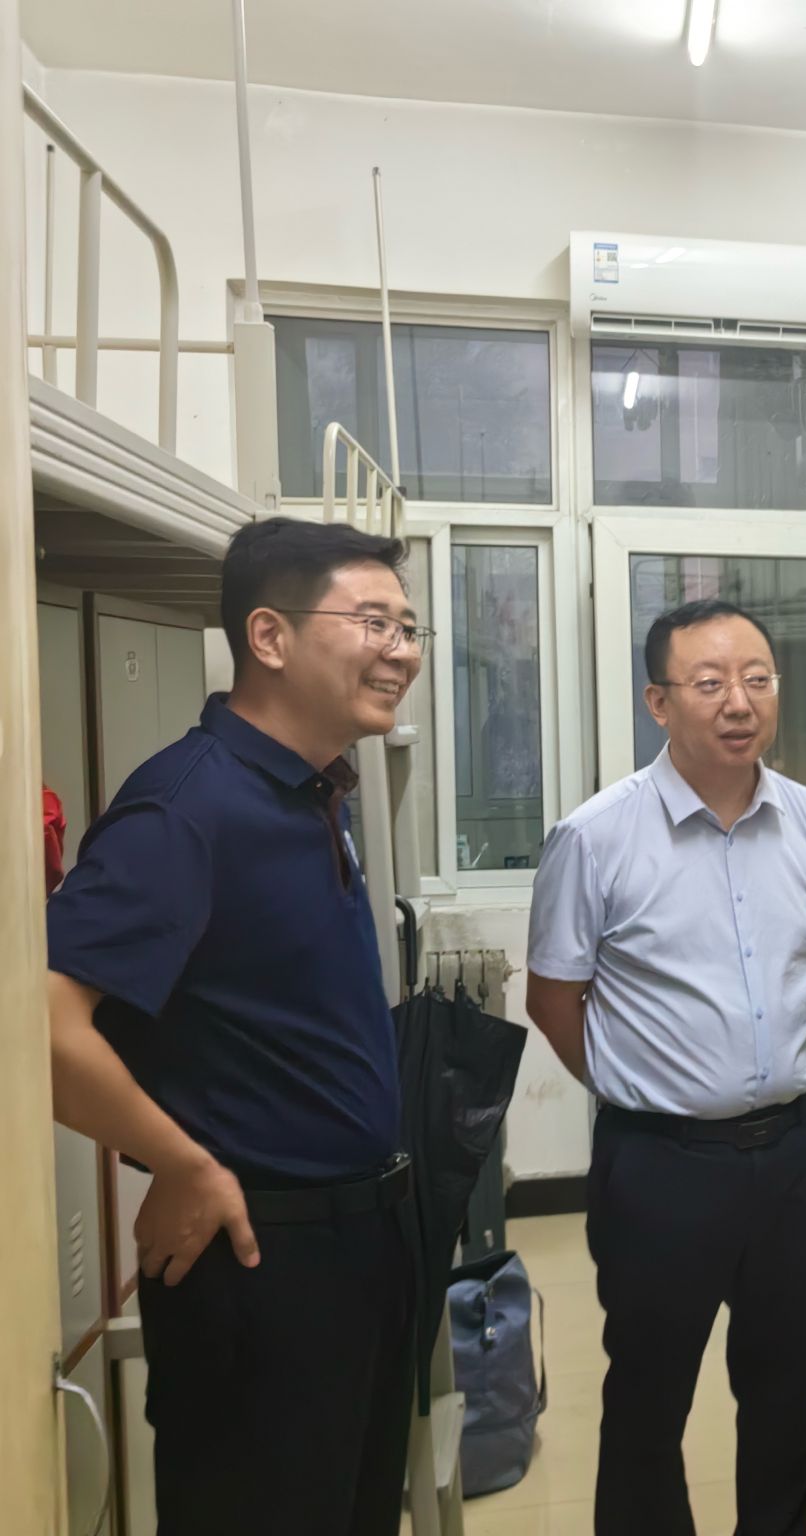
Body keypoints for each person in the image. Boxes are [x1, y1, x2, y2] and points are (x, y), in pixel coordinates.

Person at [44, 517, 428, 1536]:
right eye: (374, 622)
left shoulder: (312, 789)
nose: (402, 650)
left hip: (357, 1246)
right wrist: (184, 1164)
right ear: (269, 637)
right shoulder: (189, 807)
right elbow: (39, 1023)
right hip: (261, 1262)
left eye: (408, 627)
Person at [527, 597, 806, 1536]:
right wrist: (648, 1091)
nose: (739, 703)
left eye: (757, 679)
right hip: (661, 1166)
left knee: (785, 1395)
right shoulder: (594, 837)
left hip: (796, 1154)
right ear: (658, 702)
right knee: (647, 1401)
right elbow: (553, 999)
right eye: (709, 683)